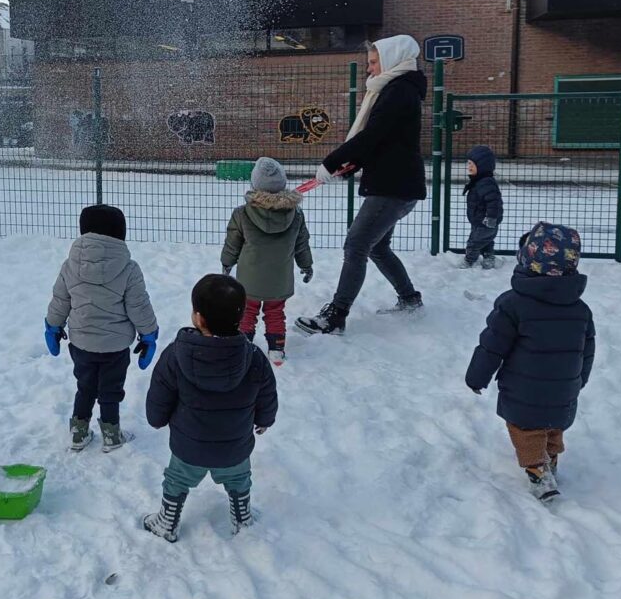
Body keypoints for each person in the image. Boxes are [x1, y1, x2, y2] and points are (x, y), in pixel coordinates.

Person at [296, 35, 427, 336]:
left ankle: (336, 315)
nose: (369, 69)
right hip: (397, 183)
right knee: (377, 247)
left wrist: (332, 162)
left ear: (392, 58)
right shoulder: (397, 89)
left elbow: (372, 136)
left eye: (373, 62)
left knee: (356, 245)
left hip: (392, 187)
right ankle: (410, 299)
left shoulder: (399, 91)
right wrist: (352, 163)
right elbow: (385, 141)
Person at [464, 222, 596, 502]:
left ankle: (538, 470)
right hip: (564, 389)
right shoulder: (580, 309)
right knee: (553, 425)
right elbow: (587, 349)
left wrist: (476, 377)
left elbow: (492, 346)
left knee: (525, 429)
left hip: (523, 390)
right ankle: (551, 459)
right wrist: (579, 379)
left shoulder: (512, 304)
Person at [142, 274, 278, 543]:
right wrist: (265, 420)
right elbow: (267, 395)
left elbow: (160, 393)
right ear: (240, 317)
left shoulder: (175, 355)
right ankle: (242, 519)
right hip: (234, 446)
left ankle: (167, 521)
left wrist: (156, 419)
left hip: (188, 446)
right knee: (239, 479)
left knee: (177, 479)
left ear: (198, 318)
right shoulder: (254, 358)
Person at [44, 204, 158, 453]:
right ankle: (111, 434)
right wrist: (148, 334)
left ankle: (79, 432)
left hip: (82, 343)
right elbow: (139, 306)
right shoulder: (129, 268)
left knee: (85, 386)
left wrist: (53, 326)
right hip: (115, 347)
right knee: (110, 389)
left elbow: (61, 300)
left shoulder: (70, 265)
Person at [221, 156, 314, 366]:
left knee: (247, 311)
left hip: (249, 279)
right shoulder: (296, 215)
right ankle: (277, 349)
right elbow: (302, 244)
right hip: (279, 278)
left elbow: (232, 243)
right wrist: (306, 265)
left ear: (255, 184)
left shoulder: (242, 214)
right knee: (275, 312)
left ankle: (243, 345)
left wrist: (227, 262)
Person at [462, 145, 503, 269]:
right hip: (480, 221)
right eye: (468, 163)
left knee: (474, 243)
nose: (469, 167)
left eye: (472, 164)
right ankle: (489, 259)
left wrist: (491, 218)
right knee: (486, 241)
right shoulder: (479, 181)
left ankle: (468, 261)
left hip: (485, 222)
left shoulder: (486, 183)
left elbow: (494, 203)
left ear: (482, 166)